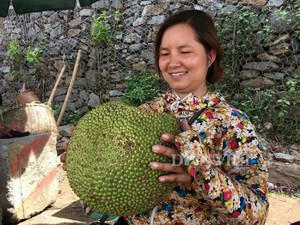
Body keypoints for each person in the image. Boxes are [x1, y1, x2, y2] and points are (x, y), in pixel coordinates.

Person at [62, 9, 269, 225]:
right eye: (165, 53)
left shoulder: (233, 125)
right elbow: (109, 197)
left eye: (185, 52)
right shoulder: (145, 112)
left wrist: (201, 175)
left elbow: (257, 215)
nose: (173, 62)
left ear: (210, 56)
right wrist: (85, 162)